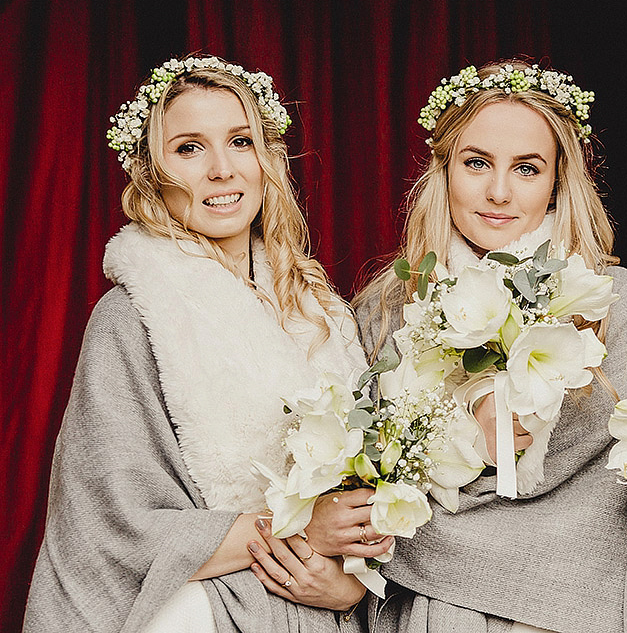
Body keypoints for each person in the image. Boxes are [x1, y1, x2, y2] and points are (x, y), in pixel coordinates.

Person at [23, 55, 392, 632]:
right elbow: (111, 521)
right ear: (152, 173)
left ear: (266, 159)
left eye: (240, 142)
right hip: (194, 614)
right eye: (189, 148)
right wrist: (297, 529)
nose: (222, 170)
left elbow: (372, 499)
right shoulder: (129, 319)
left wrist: (349, 585)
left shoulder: (323, 315)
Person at [339, 60, 627, 632]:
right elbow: (363, 476)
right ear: (443, 171)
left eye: (527, 168)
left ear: (559, 181)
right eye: (476, 163)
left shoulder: (618, 304)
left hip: (581, 603)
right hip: (434, 605)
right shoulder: (386, 307)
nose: (498, 192)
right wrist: (458, 426)